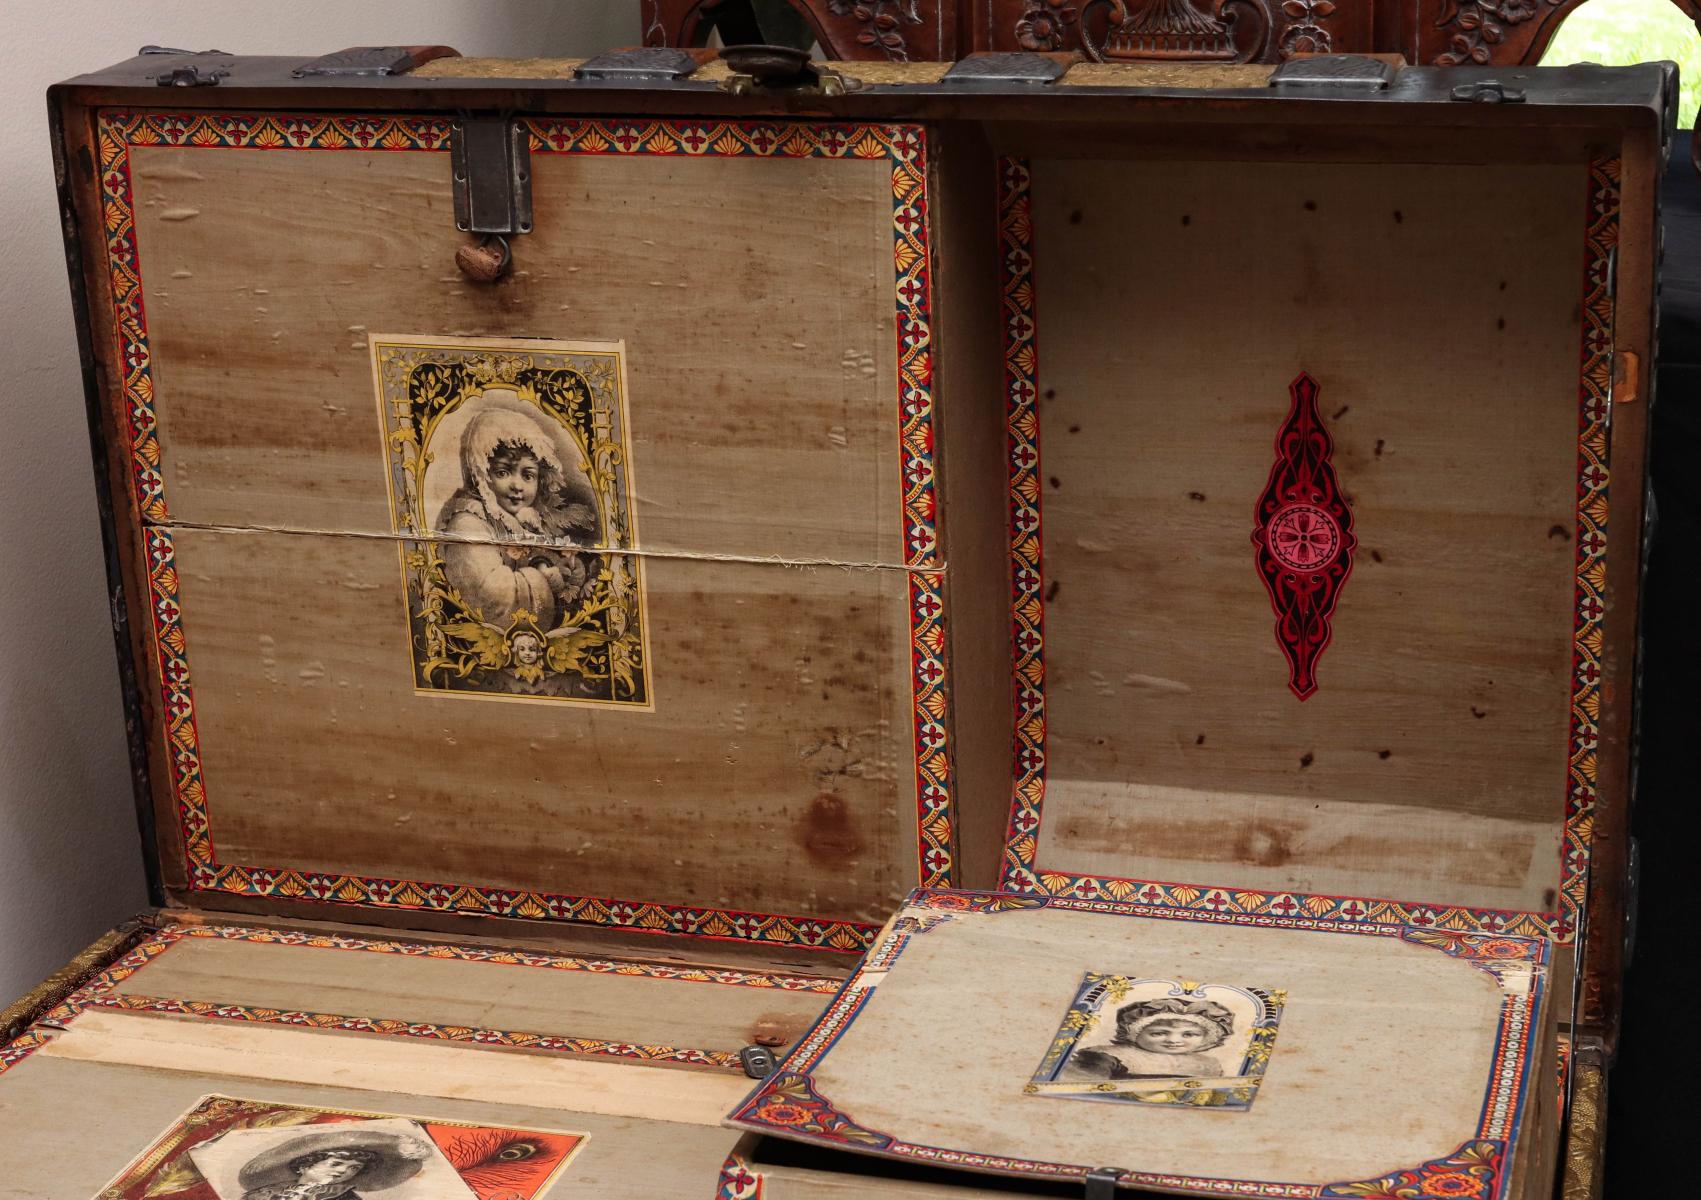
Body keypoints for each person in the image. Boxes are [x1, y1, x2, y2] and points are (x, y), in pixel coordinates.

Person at [435, 406, 599, 631]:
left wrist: (566, 570)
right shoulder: (467, 522)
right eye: (503, 472)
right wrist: (541, 577)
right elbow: (490, 595)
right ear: (481, 475)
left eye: (528, 475)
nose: (517, 486)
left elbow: (540, 558)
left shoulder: (522, 520)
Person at [235, 1128, 431, 1199]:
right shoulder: (264, 1194)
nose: (343, 1171)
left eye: (353, 1168)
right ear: (305, 1165)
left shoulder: (345, 1198)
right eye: (336, 1163)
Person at [1066, 997, 1234, 1080]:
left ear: (1207, 1038)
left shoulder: (1208, 1063)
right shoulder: (1106, 1056)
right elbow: (1083, 1083)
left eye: (1189, 1034)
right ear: (1134, 1032)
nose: (1173, 1040)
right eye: (1159, 1033)